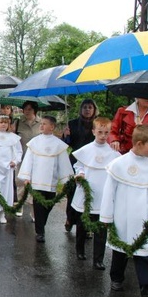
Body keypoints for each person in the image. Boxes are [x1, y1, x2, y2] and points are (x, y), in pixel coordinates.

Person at [99, 124, 148, 297]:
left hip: (144, 216)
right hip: (122, 215)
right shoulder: (119, 164)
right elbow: (109, 192)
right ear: (139, 143)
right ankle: (117, 278)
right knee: (120, 250)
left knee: (145, 251)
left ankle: (147, 287)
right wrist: (106, 216)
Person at [70, 117, 120, 269]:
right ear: (93, 132)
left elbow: (118, 169)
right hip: (88, 191)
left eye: (106, 133)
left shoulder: (113, 153)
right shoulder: (86, 150)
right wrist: (80, 174)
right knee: (83, 223)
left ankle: (98, 259)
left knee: (101, 227)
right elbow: (79, 165)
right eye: (100, 132)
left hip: (103, 194)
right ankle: (80, 249)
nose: (103, 136)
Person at [17, 116, 73, 243]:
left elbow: (63, 163)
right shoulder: (34, 142)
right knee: (38, 207)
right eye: (41, 124)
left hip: (51, 182)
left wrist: (66, 181)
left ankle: (42, 223)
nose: (41, 126)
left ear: (52, 127)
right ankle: (40, 232)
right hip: (37, 181)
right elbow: (29, 160)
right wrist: (26, 176)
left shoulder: (58, 145)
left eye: (44, 124)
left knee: (49, 205)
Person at [61, 98, 99, 232]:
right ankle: (70, 218)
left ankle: (86, 224)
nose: (87, 110)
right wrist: (66, 136)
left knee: (88, 191)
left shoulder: (98, 125)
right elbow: (66, 144)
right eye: (85, 107)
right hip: (75, 160)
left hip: (92, 162)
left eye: (90, 107)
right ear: (81, 109)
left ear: (94, 109)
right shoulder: (72, 124)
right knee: (72, 190)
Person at [13, 101, 41, 217]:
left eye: (30, 109)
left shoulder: (41, 123)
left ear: (34, 110)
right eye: (25, 109)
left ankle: (34, 211)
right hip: (21, 156)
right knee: (20, 182)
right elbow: (13, 139)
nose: (27, 111)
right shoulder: (18, 122)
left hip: (36, 159)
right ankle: (20, 206)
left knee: (34, 184)